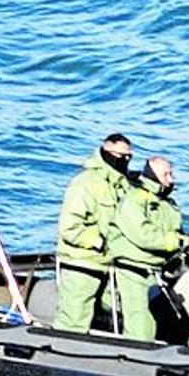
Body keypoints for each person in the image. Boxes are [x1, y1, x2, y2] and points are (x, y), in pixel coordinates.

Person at [53, 133, 134, 332]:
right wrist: (100, 241)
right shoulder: (85, 183)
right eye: (120, 156)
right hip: (82, 262)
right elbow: (69, 228)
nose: (125, 161)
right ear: (107, 153)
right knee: (73, 321)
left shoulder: (122, 185)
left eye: (129, 157)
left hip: (110, 264)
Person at [106, 156, 184, 340]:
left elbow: (175, 231)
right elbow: (144, 235)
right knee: (140, 324)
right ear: (153, 175)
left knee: (169, 319)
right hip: (133, 269)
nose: (170, 179)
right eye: (166, 175)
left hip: (157, 271)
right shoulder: (134, 200)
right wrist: (178, 241)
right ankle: (133, 360)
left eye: (171, 174)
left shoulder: (168, 205)